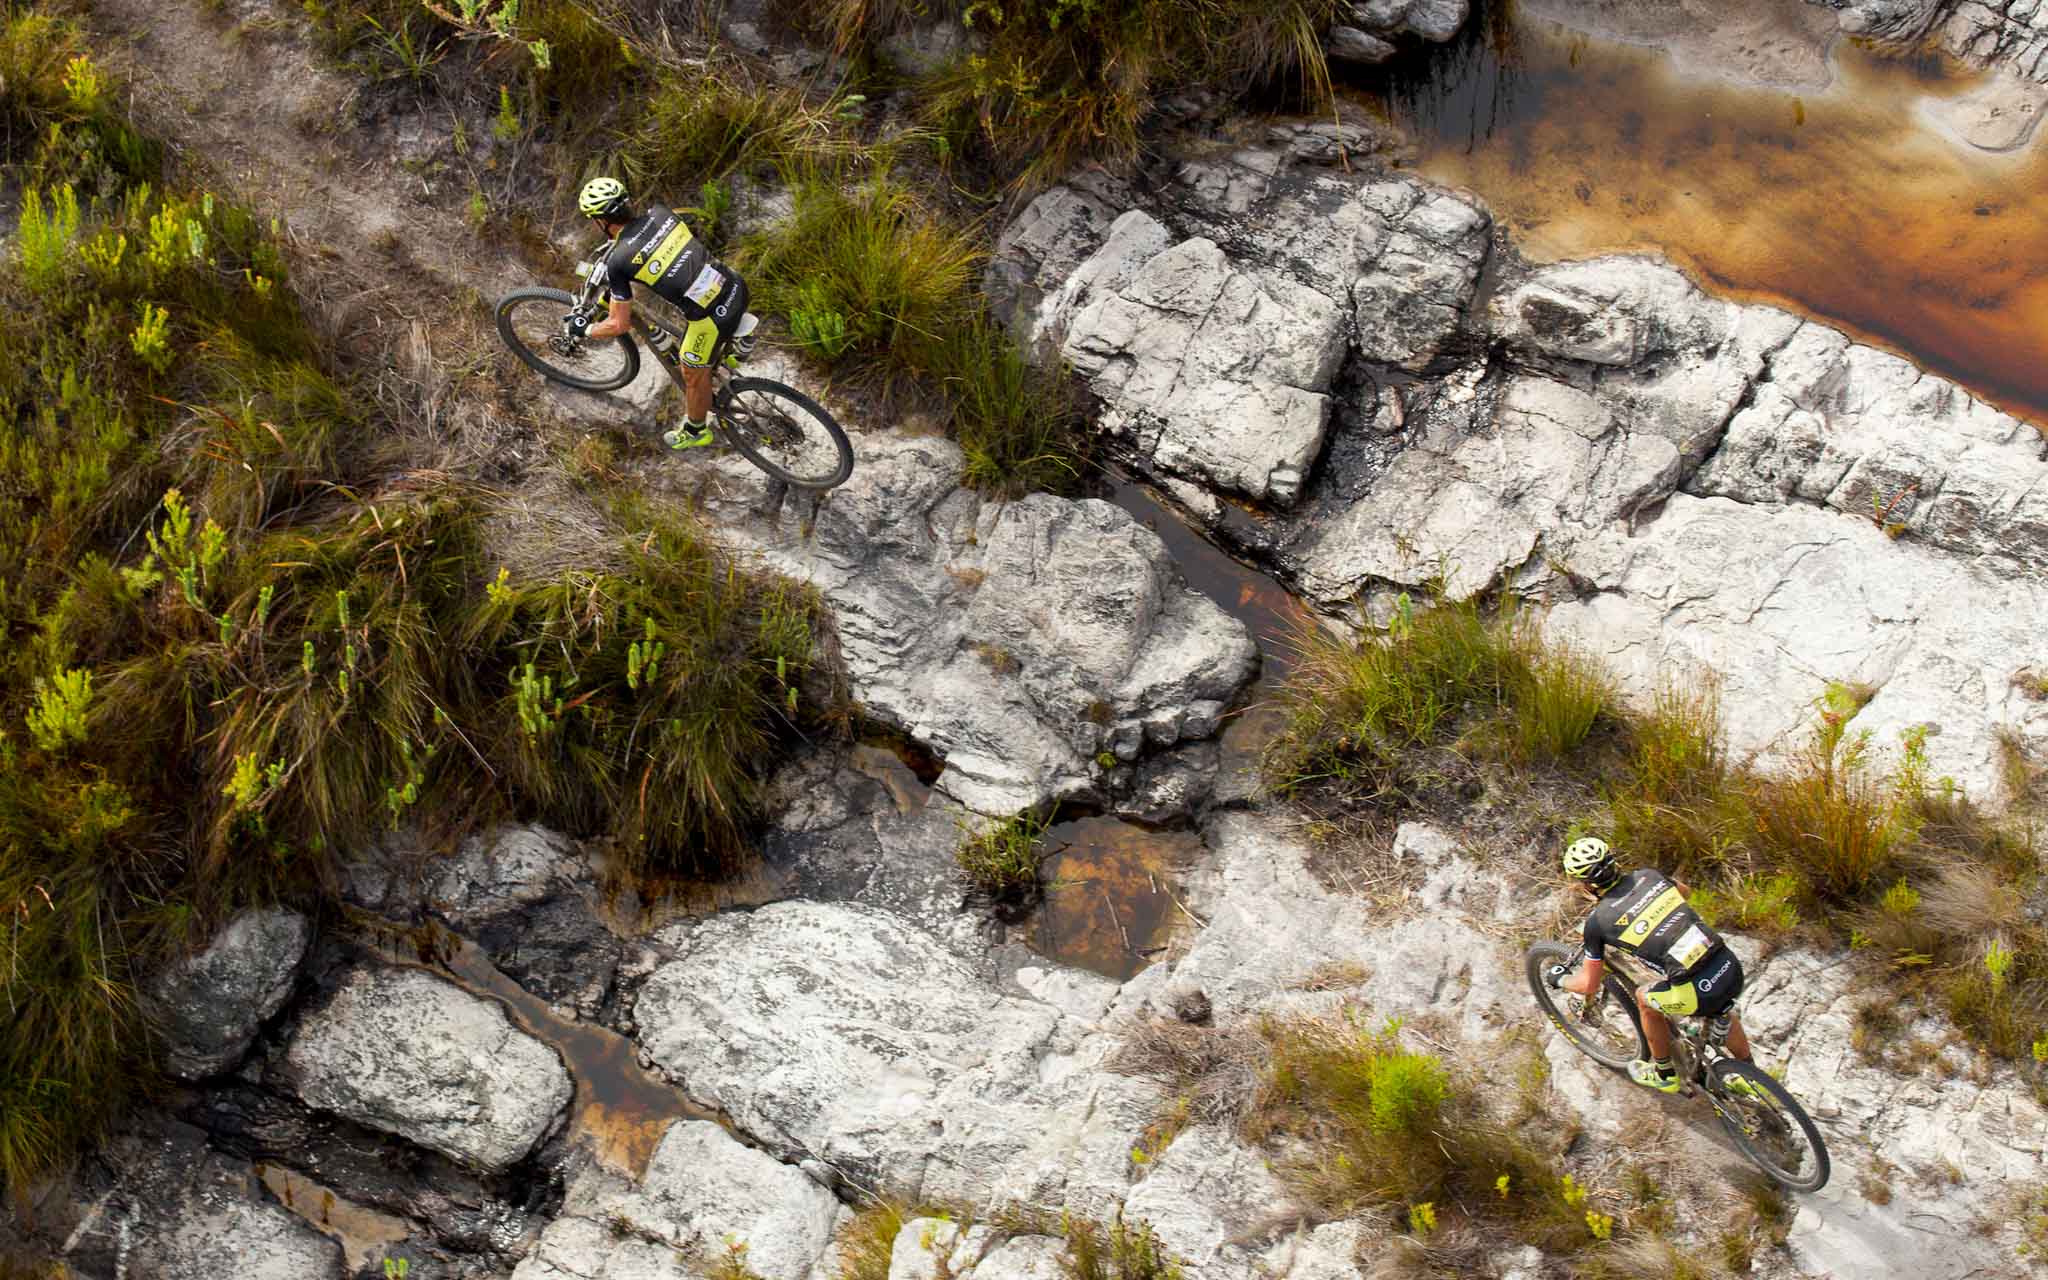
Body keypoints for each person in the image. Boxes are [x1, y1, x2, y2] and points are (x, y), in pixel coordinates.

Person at [1551, 836, 1759, 1095]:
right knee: (1721, 1008)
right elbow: (1684, 893)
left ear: (1585, 883)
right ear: (1613, 861)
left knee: (1644, 999)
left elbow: (1589, 984)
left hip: (1697, 992)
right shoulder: (1649, 875)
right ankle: (1751, 1075)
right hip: (1730, 966)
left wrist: (1559, 979)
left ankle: (1664, 1073)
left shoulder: (1599, 922)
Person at [572, 176, 759, 451]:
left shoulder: (619, 261)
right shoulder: (660, 213)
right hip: (736, 286)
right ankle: (739, 346)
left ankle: (696, 430)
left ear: (601, 221)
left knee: (691, 370)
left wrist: (585, 330)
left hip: (713, 318)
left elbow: (618, 324)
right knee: (703, 314)